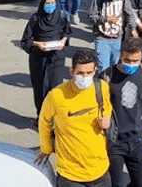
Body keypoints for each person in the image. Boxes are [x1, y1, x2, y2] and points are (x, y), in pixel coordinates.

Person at [36, 49, 113, 187]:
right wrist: (46, 148)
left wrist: (107, 118)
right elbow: (44, 121)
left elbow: (107, 107)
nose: (85, 77)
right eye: (80, 73)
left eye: (89, 73)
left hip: (99, 170)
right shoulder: (56, 95)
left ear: (95, 70)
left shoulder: (101, 87)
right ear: (72, 71)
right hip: (70, 175)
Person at [103, 38, 142, 187]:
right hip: (114, 142)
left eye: (135, 60)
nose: (131, 64)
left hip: (136, 139)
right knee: (115, 183)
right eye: (127, 60)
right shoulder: (107, 75)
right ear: (121, 55)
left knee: (141, 183)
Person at [20, 0, 71, 116]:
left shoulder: (61, 17)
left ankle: (55, 118)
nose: (50, 6)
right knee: (40, 88)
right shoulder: (36, 19)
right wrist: (38, 44)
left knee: (55, 88)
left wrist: (63, 41)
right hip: (39, 59)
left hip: (56, 58)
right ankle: (42, 116)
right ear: (42, 4)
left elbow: (67, 32)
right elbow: (26, 40)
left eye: (52, 3)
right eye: (47, 3)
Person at [88, 0, 137, 72]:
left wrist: (133, 28)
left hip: (117, 38)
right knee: (103, 67)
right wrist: (105, 19)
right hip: (102, 37)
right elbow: (91, 16)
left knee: (114, 66)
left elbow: (129, 13)